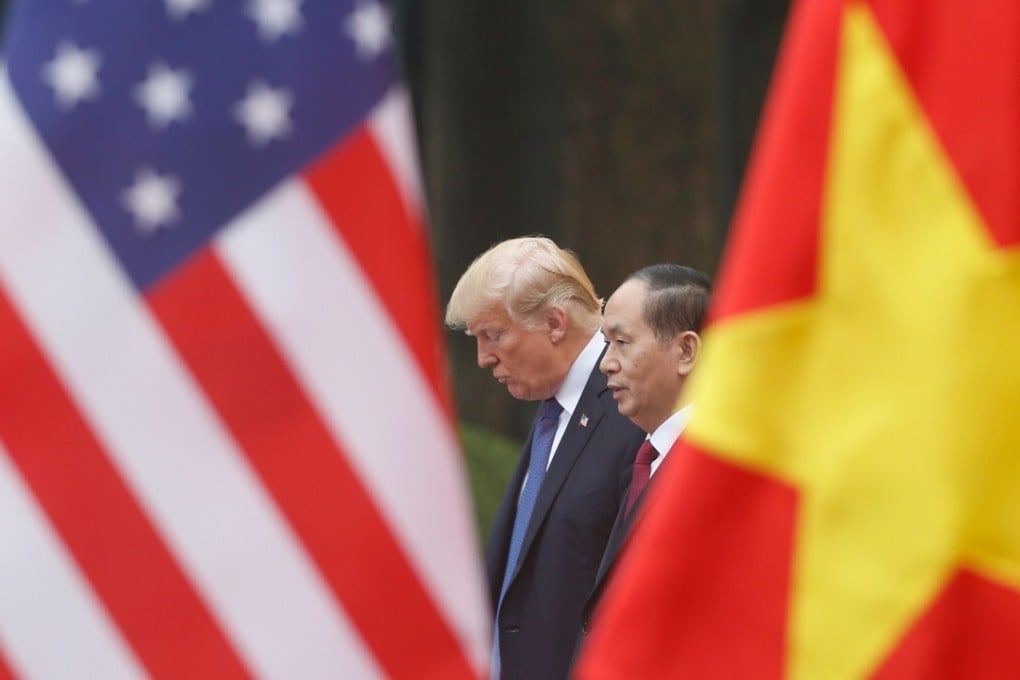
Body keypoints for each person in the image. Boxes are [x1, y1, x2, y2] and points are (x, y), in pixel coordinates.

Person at [446, 236, 644, 680]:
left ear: (555, 323)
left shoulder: (634, 409)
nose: (482, 358)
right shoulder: (552, 410)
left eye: (493, 336)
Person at [575, 263, 711, 653]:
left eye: (622, 342)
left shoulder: (714, 474)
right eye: (606, 343)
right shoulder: (644, 460)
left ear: (686, 351)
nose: (606, 364)